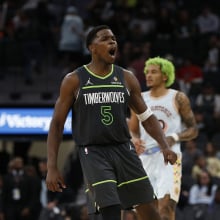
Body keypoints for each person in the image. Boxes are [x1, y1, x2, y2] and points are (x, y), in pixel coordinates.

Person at [46, 25, 177, 220]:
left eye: (114, 39)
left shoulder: (126, 77)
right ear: (92, 47)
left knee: (149, 211)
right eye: (106, 39)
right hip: (94, 152)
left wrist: (164, 145)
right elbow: (57, 125)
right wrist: (52, 167)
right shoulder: (74, 80)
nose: (113, 42)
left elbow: (147, 117)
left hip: (124, 149)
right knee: (111, 208)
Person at [128, 57, 198, 220]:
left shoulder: (178, 98)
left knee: (165, 208)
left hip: (169, 158)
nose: (148, 75)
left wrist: (174, 137)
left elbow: (193, 129)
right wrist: (135, 139)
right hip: (145, 158)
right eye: (146, 72)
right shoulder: (139, 98)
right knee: (144, 213)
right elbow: (133, 130)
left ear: (165, 76)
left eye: (153, 72)